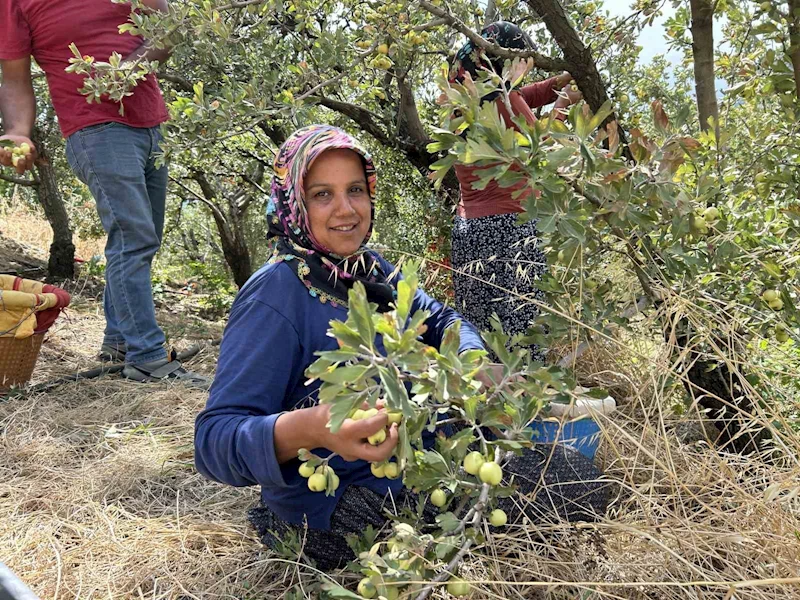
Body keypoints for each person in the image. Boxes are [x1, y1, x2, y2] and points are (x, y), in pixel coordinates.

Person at [194, 125, 607, 571]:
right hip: (337, 507)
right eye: (321, 195)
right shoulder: (275, 295)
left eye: (355, 189)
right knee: (574, 493)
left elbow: (444, 318)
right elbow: (214, 441)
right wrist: (314, 428)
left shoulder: (369, 272)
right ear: (293, 202)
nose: (345, 209)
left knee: (578, 480)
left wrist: (469, 360)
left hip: (416, 467)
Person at [0, 0, 207, 386]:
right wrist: (18, 133)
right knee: (134, 237)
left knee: (144, 238)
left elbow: (169, 27)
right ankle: (148, 357)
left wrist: (127, 70)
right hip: (94, 130)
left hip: (150, 124)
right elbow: (14, 78)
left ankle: (120, 343)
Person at [448, 21, 582, 362]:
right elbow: (542, 153)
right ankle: (524, 403)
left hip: (469, 232)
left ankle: (482, 409)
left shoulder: (468, 97)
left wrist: (558, 82)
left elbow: (525, 95)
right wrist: (564, 103)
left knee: (481, 334)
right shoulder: (503, 101)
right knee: (521, 334)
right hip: (508, 230)